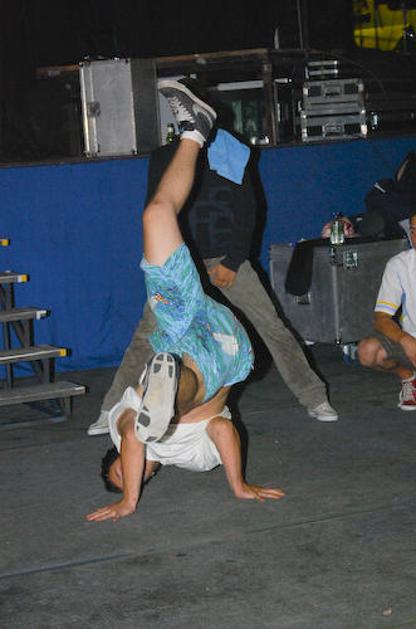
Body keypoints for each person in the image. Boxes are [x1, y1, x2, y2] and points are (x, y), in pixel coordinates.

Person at [87, 82, 338, 437]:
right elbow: (156, 210)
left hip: (226, 259)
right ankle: (111, 408)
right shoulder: (165, 157)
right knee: (146, 335)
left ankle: (314, 397)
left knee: (271, 326)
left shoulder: (232, 153)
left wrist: (233, 261)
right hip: (182, 263)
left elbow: (248, 211)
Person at [86, 80, 285, 522]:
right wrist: (239, 486)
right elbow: (222, 430)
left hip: (186, 326)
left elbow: (131, 439)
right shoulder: (193, 460)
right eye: (132, 479)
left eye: (122, 472)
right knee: (187, 393)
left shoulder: (124, 430)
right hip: (221, 356)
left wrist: (128, 500)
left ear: (118, 458)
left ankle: (195, 131)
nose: (133, 473)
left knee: (156, 214)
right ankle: (169, 399)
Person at [357, 212, 416, 410]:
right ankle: (409, 379)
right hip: (412, 340)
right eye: (413, 231)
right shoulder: (399, 265)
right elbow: (381, 318)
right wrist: (405, 339)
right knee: (368, 351)